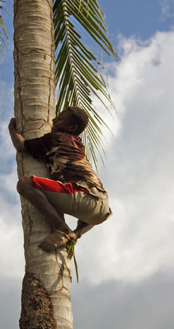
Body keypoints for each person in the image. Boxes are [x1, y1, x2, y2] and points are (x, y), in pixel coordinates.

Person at [8, 107, 112, 252]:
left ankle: (62, 229)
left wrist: (12, 129)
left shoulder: (57, 138)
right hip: (102, 210)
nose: (54, 119)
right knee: (85, 204)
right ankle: (75, 234)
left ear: (71, 127)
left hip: (82, 196)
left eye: (61, 118)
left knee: (25, 184)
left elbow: (21, 145)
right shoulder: (77, 144)